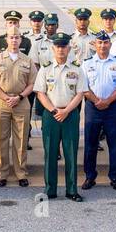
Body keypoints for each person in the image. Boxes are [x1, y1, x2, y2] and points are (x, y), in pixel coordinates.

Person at [34, 34, 88, 202]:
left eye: (64, 46)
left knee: (71, 152)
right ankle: (50, 189)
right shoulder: (46, 68)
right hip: (51, 115)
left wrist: (66, 111)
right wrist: (53, 110)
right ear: (53, 48)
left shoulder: (77, 68)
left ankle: (72, 190)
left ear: (69, 49)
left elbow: (80, 93)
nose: (61, 49)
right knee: (50, 153)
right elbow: (40, 92)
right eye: (57, 46)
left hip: (70, 115)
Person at [0, 28, 36, 188]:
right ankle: (2, 174)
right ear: (6, 40)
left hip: (21, 101)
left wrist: (19, 97)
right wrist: (5, 97)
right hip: (2, 101)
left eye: (17, 37)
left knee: (21, 139)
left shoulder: (27, 60)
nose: (14, 40)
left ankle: (21, 173)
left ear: (21, 40)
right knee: (0, 138)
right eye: (11, 37)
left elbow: (32, 84)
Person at [81, 31, 116, 191]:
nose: (102, 45)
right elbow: (84, 87)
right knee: (90, 144)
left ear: (110, 44)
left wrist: (107, 101)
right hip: (92, 108)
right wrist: (97, 101)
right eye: (99, 43)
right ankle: (90, 176)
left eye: (105, 42)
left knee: (114, 144)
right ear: (95, 44)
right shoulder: (86, 64)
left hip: (113, 107)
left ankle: (115, 177)